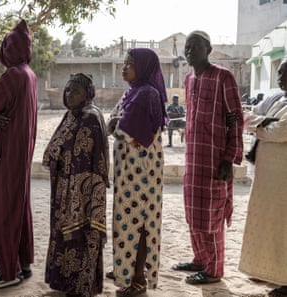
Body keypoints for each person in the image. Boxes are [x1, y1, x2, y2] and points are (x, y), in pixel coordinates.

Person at [171, 31, 243, 285]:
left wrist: (229, 158)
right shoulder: (189, 79)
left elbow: (235, 118)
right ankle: (200, 259)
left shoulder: (224, 77)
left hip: (215, 160)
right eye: (187, 47)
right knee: (194, 212)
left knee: (211, 215)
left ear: (208, 49)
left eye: (196, 47)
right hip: (193, 158)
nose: (190, 51)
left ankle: (214, 270)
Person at [0, 19, 37, 289]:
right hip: (22, 153)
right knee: (19, 206)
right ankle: (23, 263)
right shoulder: (30, 74)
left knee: (2, 209)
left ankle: (6, 272)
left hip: (6, 155)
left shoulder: (11, 76)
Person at [106, 48, 167, 297]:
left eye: (129, 64)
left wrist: (116, 126)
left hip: (142, 173)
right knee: (125, 221)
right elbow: (114, 121)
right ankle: (127, 270)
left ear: (142, 67)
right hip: (127, 172)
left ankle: (138, 280)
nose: (124, 68)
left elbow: (128, 130)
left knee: (140, 223)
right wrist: (115, 125)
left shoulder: (148, 94)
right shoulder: (132, 91)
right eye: (123, 63)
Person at [43, 73, 109, 297]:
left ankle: (82, 286)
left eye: (76, 91)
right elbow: (54, 149)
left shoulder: (90, 117)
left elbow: (89, 158)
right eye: (68, 90)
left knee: (81, 234)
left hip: (84, 193)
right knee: (65, 234)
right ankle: (65, 283)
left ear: (88, 94)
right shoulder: (71, 115)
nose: (70, 95)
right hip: (64, 189)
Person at [239, 58, 287, 297]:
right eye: (279, 72)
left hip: (283, 179)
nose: (280, 77)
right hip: (266, 175)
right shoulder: (276, 99)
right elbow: (248, 118)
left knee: (282, 226)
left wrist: (259, 125)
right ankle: (269, 272)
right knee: (266, 221)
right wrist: (262, 122)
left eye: (285, 73)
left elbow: (280, 131)